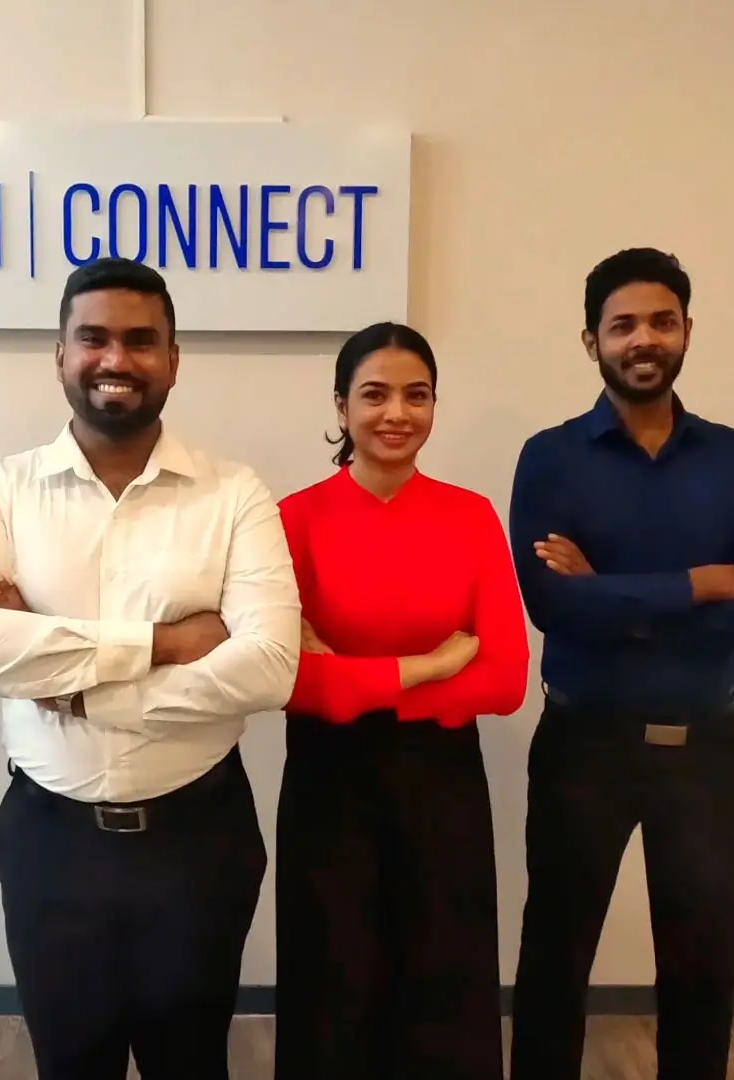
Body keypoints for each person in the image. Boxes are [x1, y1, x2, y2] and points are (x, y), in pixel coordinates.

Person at [0, 257, 301, 1080]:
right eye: (93, 338)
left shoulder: (234, 494)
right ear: (60, 354)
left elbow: (270, 667)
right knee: (69, 1065)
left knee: (191, 1065)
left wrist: (70, 683)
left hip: (198, 840)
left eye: (140, 340)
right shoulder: (3, 488)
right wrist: (160, 644)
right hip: (50, 842)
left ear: (173, 358)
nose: (115, 359)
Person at [506, 248, 734, 1080]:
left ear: (686, 332)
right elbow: (552, 605)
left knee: (702, 968)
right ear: (591, 341)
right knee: (554, 959)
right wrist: (702, 585)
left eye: (661, 322)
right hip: (584, 745)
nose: (644, 339)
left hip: (708, 748)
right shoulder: (551, 457)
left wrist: (613, 597)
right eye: (623, 325)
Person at [274, 322, 530, 1080]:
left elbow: (505, 680)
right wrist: (431, 666)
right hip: (328, 784)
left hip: (440, 782)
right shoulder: (293, 520)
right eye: (375, 395)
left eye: (416, 396)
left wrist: (351, 681)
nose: (397, 413)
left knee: (442, 979)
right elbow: (287, 680)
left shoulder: (471, 516)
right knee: (333, 978)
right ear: (341, 406)